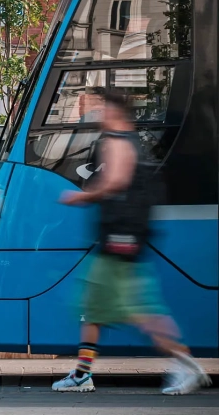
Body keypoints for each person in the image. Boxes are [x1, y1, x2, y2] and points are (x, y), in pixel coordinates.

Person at [52, 92, 211, 396]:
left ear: (117, 113)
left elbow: (115, 181)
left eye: (105, 110)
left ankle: (185, 363)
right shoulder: (132, 141)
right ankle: (82, 374)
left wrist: (82, 196)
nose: (100, 115)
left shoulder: (117, 141)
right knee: (96, 308)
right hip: (122, 238)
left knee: (139, 310)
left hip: (118, 239)